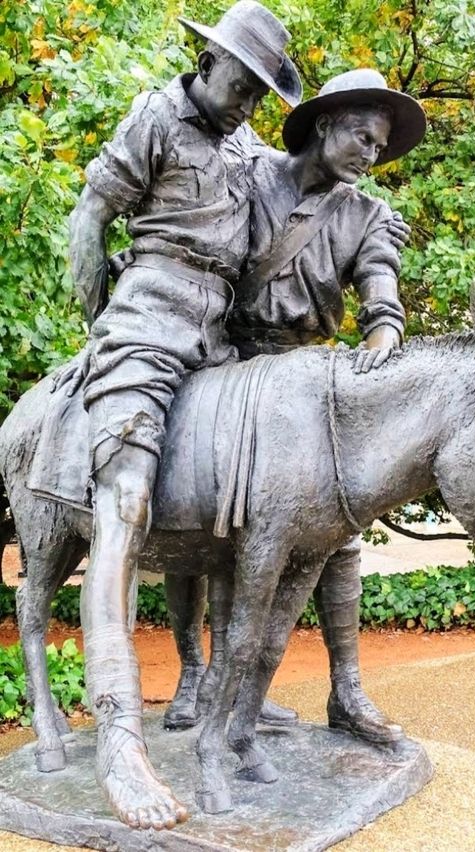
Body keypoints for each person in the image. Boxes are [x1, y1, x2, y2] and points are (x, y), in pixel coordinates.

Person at [67, 1, 302, 830]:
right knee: (123, 507)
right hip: (149, 319)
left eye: (258, 94)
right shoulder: (157, 116)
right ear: (208, 65)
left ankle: (234, 711)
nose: (244, 103)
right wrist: (103, 329)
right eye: (241, 84)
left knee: (262, 507)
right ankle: (120, 739)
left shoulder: (249, 147)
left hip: (224, 343)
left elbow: (305, 189)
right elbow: (92, 218)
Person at [166, 68, 426, 746]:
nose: (371, 156)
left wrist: (384, 336)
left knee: (337, 528)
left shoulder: (366, 215)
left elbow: (379, 285)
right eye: (364, 138)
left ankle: (346, 691)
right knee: (193, 512)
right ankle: (197, 675)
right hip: (219, 357)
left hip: (299, 382)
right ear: (325, 124)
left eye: (380, 148)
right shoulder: (250, 172)